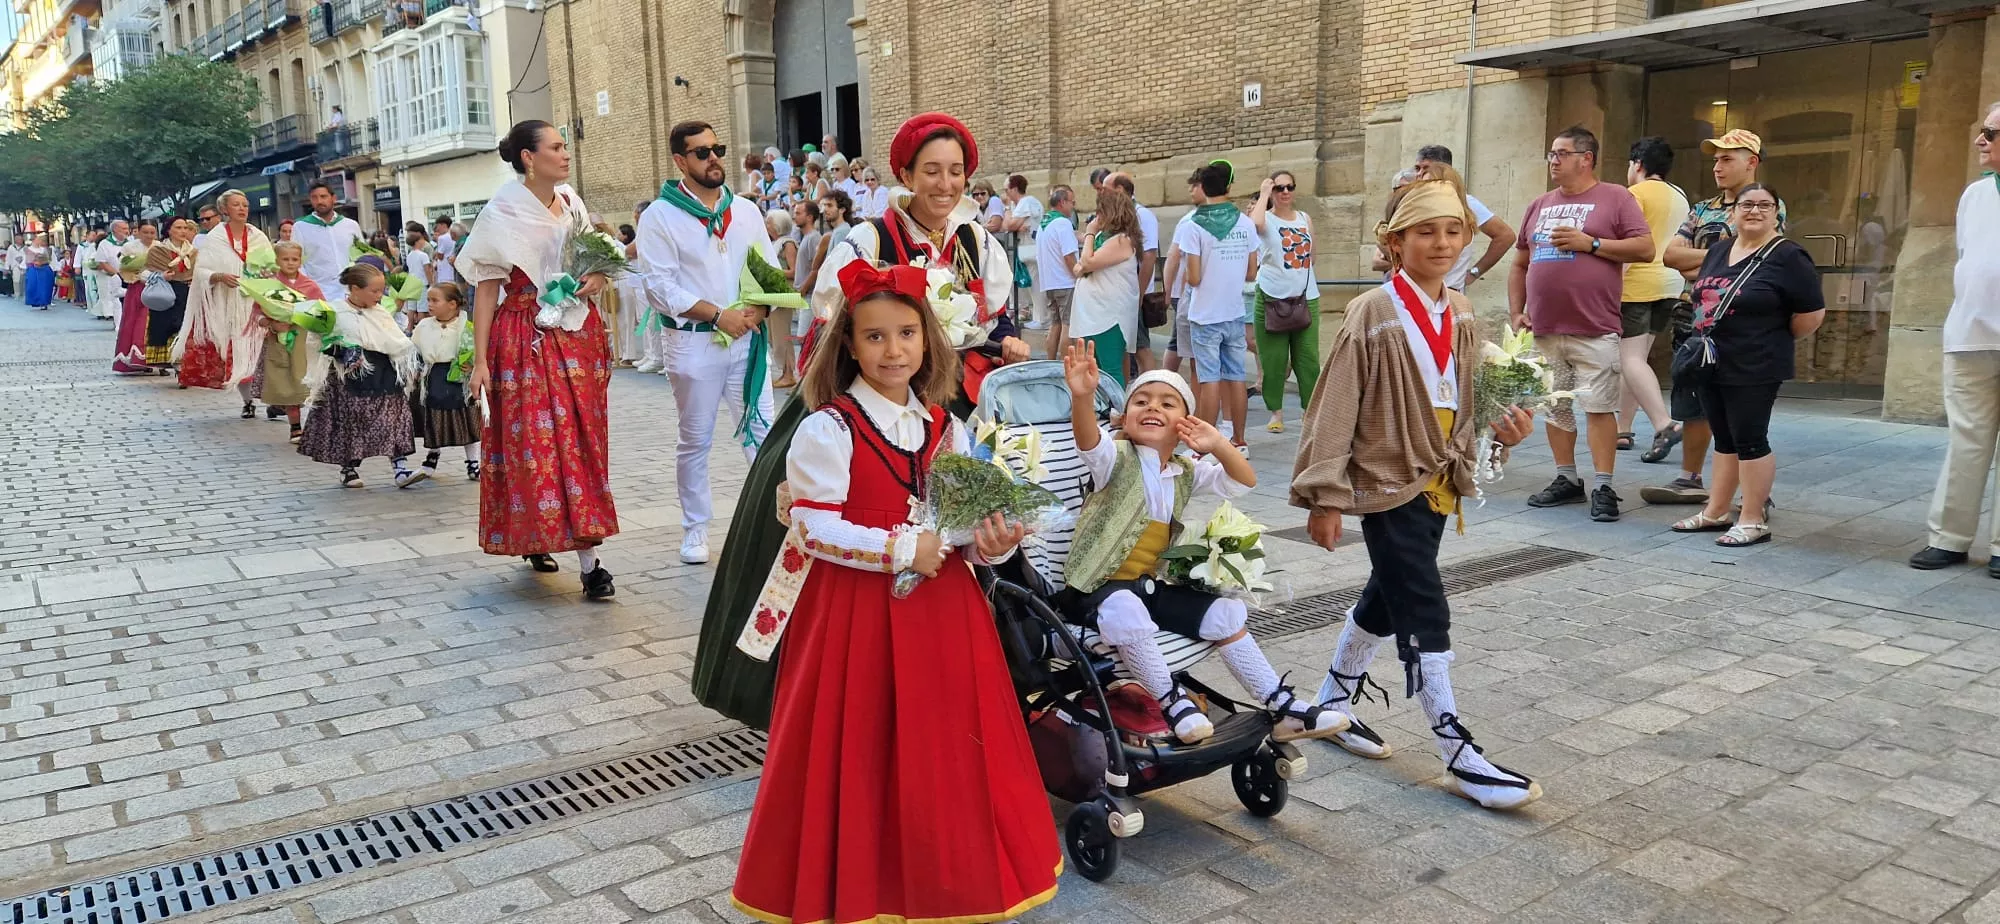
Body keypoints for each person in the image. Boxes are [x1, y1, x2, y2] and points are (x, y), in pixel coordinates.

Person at [729, 259, 1058, 924]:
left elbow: (958, 517)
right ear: (848, 343)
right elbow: (815, 526)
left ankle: (944, 877)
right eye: (875, 336)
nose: (893, 350)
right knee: (860, 741)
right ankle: (859, 883)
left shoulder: (946, 426)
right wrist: (902, 548)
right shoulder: (829, 429)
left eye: (907, 333)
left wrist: (990, 542)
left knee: (942, 744)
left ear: (927, 340)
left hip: (942, 614)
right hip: (852, 615)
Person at [693, 111, 1025, 730]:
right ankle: (803, 691)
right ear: (904, 173)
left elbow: (996, 319)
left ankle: (972, 680)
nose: (945, 183)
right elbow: (836, 319)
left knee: (968, 528)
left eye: (956, 171)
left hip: (952, 401)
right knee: (817, 521)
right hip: (868, 397)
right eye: (931, 170)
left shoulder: (981, 243)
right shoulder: (870, 239)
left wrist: (1004, 342)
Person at [1293, 171, 1543, 810]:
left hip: (1438, 474)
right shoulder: (1371, 311)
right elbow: (1335, 404)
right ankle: (1457, 750)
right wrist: (1325, 494)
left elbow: (1468, 394)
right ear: (1395, 242)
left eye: (1452, 230)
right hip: (1384, 476)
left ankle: (1331, 699)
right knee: (1423, 599)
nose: (1440, 242)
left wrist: (1501, 424)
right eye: (1424, 231)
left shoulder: (1458, 310)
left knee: (1390, 590)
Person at [1060, 348, 1346, 744]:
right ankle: (1170, 699)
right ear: (1124, 417)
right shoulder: (1116, 457)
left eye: (1166, 402)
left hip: (1145, 589)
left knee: (1225, 613)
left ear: (1184, 423)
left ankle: (1279, 704)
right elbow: (1089, 440)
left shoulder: (1184, 471)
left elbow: (1243, 480)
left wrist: (1219, 444)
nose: (1151, 408)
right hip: (1095, 590)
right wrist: (1081, 397)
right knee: (1125, 608)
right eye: (1140, 401)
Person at [459, 119, 619, 600]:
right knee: (540, 443)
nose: (565, 153)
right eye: (555, 146)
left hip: (577, 333)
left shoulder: (571, 202)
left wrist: (596, 280)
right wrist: (481, 360)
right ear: (529, 157)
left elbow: (598, 264)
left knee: (583, 440)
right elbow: (487, 290)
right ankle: (589, 563)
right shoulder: (502, 210)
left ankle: (582, 545)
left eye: (564, 145)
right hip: (525, 337)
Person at [637, 120, 780, 565]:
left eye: (717, 148)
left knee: (764, 434)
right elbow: (658, 287)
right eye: (701, 152)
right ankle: (695, 529)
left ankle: (778, 522)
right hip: (694, 344)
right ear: (681, 161)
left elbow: (768, 271)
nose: (713, 157)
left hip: (746, 342)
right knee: (695, 440)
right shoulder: (660, 215)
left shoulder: (747, 211)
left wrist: (757, 310)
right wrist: (719, 315)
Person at [1660, 183, 1823, 547]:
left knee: (1750, 440)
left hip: (1757, 363)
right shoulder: (1719, 250)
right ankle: (1715, 512)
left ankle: (1751, 518)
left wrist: (1768, 340)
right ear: (1732, 213)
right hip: (1712, 360)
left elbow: (1811, 314)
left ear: (1777, 214)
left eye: (1765, 205)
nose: (1755, 211)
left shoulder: (1789, 256)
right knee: (1725, 438)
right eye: (1747, 204)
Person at [1508, 126, 1654, 522]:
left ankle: (1604, 486)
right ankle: (1567, 479)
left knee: (1599, 408)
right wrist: (1516, 309)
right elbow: (1520, 261)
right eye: (1551, 153)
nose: (1553, 160)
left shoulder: (1615, 197)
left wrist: (1590, 243)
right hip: (1545, 328)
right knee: (1556, 409)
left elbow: (1645, 247)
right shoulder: (1539, 204)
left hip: (1594, 326)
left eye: (1562, 153)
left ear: (1586, 158)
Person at [1643, 129, 1790, 503]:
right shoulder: (1702, 209)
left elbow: (1759, 256)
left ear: (1751, 162)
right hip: (1691, 321)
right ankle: (1690, 479)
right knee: (1694, 401)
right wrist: (1725, 256)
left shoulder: (1764, 205)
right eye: (1715, 159)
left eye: (1727, 158)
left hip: (1740, 324)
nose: (1718, 166)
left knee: (1742, 408)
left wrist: (1707, 263)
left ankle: (1753, 492)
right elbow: (1671, 256)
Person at [1910, 103, 2000, 577]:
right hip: (1969, 336)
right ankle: (1949, 538)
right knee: (1966, 440)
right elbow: (1968, 256)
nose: (1979, 140)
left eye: (1990, 132)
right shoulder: (1974, 195)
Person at [296, 263, 421, 488]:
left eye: (381, 290)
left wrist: (411, 359)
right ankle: (349, 468)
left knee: (393, 419)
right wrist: (334, 348)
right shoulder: (335, 312)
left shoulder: (380, 312)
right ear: (354, 288)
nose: (379, 296)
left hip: (383, 372)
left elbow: (395, 339)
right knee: (354, 422)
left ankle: (400, 468)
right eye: (374, 291)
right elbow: (319, 339)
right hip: (350, 377)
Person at [1178, 161, 1259, 450]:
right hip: (1234, 311)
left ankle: (1204, 443)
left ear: (1203, 188)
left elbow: (1195, 277)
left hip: (1205, 313)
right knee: (1236, 376)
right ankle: (1239, 440)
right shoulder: (1245, 223)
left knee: (1209, 378)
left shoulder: (1193, 225)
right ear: (1228, 187)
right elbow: (1251, 272)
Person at [1618, 136, 1691, 456]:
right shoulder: (1681, 196)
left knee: (1629, 359)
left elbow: (1630, 245)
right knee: (1636, 360)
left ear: (1638, 164)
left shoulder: (1633, 194)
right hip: (1670, 284)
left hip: (1636, 285)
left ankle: (1665, 425)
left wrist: (1611, 287)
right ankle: (1622, 430)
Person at [175, 191, 274, 419]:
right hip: (229, 306)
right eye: (236, 205)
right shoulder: (215, 237)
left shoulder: (258, 235)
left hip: (256, 302)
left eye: (245, 205)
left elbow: (272, 265)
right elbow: (201, 271)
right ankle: (248, 401)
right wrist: (219, 276)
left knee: (261, 353)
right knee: (239, 353)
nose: (242, 209)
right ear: (225, 210)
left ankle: (272, 398)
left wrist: (267, 274)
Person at [1249, 170, 1319, 434]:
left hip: (1305, 297)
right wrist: (1264, 192)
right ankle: (1275, 412)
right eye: (1280, 188)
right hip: (1270, 297)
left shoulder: (1304, 219)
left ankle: (1309, 411)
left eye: (1290, 187)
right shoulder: (1265, 218)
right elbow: (1254, 224)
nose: (1286, 192)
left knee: (1308, 359)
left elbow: (1313, 254)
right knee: (1273, 359)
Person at [407, 281, 484, 482]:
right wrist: (415, 369)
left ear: (452, 304)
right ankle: (432, 455)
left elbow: (479, 351)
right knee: (434, 418)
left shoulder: (467, 327)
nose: (429, 305)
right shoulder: (424, 326)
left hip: (459, 378)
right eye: (428, 300)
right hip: (434, 376)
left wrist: (473, 366)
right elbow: (412, 350)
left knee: (468, 420)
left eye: (435, 300)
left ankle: (474, 462)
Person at [1411, 145, 1516, 291]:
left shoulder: (1465, 202)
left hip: (1449, 291)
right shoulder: (1413, 203)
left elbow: (1505, 236)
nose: (1420, 175)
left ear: (1444, 170)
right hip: (1415, 291)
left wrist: (1475, 272)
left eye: (1426, 169)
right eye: (1417, 169)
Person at [1070, 186, 1142, 385]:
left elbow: (1087, 263)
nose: (1095, 217)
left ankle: (1117, 412)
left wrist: (1089, 234)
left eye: (1099, 211)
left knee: (1110, 369)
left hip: (1109, 316)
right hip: (1094, 314)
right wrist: (1086, 260)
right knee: (1094, 367)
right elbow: (1078, 268)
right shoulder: (1106, 239)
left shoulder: (1122, 240)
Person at [259, 242, 325, 442]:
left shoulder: (309, 286)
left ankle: (317, 425)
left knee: (305, 378)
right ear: (277, 261)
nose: (290, 263)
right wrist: (271, 323)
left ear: (300, 260)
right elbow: (256, 313)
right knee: (286, 379)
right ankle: (295, 426)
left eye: (294, 259)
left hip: (304, 339)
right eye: (285, 259)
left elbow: (321, 310)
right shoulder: (270, 286)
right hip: (279, 339)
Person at [1108, 172, 1161, 374]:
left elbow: (1149, 256)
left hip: (1133, 292)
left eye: (1105, 190)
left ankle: (1150, 384)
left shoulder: (1142, 215)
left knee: (1140, 347)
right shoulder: (1121, 216)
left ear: (1120, 190)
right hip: (1120, 293)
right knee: (1125, 347)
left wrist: (1138, 293)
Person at [293, 183, 366, 300]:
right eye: (314, 198)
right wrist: (308, 289)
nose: (319, 201)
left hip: (350, 291)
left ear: (334, 198)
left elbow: (362, 257)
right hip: (319, 293)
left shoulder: (350, 225)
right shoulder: (301, 227)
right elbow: (297, 261)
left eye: (323, 196)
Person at [144, 220, 196, 370]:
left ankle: (182, 364)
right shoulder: (157, 251)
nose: (183, 231)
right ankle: (173, 362)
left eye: (185, 228)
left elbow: (198, 272)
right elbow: (145, 273)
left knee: (184, 327)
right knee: (168, 327)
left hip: (187, 293)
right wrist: (161, 276)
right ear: (169, 230)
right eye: (178, 228)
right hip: (166, 294)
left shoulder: (193, 252)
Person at [1036, 185, 1079, 354]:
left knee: (1055, 325)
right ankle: (1063, 368)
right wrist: (1077, 275)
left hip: (1049, 283)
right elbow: (1069, 256)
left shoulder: (1043, 224)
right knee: (1068, 326)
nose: (1073, 206)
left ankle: (1050, 362)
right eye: (1072, 202)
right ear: (1062, 202)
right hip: (1065, 282)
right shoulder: (1063, 223)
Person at [112, 222, 159, 374]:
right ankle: (135, 359)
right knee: (135, 321)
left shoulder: (160, 246)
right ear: (138, 232)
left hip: (157, 288)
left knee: (154, 323)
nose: (149, 235)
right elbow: (123, 265)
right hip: (137, 286)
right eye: (145, 232)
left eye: (152, 232)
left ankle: (156, 360)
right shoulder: (130, 247)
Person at [90, 220, 131, 322]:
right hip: (113, 277)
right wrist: (117, 274)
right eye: (124, 229)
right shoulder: (105, 244)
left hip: (129, 276)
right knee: (116, 302)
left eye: (127, 229)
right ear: (115, 230)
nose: (127, 231)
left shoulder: (130, 243)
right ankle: (118, 324)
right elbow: (102, 262)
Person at [22, 234, 54, 310]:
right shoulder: (27, 249)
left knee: (44, 287)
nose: (39, 241)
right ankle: (35, 301)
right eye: (38, 239)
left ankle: (44, 302)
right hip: (33, 269)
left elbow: (49, 259)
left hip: (44, 269)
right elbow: (24, 260)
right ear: (33, 240)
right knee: (32, 286)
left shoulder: (44, 249)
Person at [432, 216, 459, 285]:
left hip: (444, 271)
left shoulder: (442, 238)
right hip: (453, 270)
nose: (437, 229)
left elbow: (440, 256)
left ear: (443, 225)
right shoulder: (455, 235)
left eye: (438, 226)